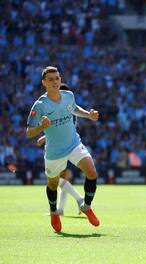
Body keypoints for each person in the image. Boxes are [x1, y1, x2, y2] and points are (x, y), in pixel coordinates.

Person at [26, 66, 100, 232]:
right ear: (44, 83)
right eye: (51, 79)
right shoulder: (39, 105)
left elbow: (73, 109)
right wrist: (41, 128)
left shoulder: (68, 95)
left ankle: (86, 207)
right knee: (52, 184)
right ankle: (54, 212)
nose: (55, 82)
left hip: (74, 144)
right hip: (54, 152)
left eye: (57, 78)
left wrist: (88, 114)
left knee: (92, 172)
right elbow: (29, 132)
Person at [37, 136, 84, 216]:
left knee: (58, 181)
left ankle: (79, 199)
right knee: (63, 183)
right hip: (63, 154)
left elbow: (59, 131)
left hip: (65, 155)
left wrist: (45, 137)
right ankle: (61, 209)